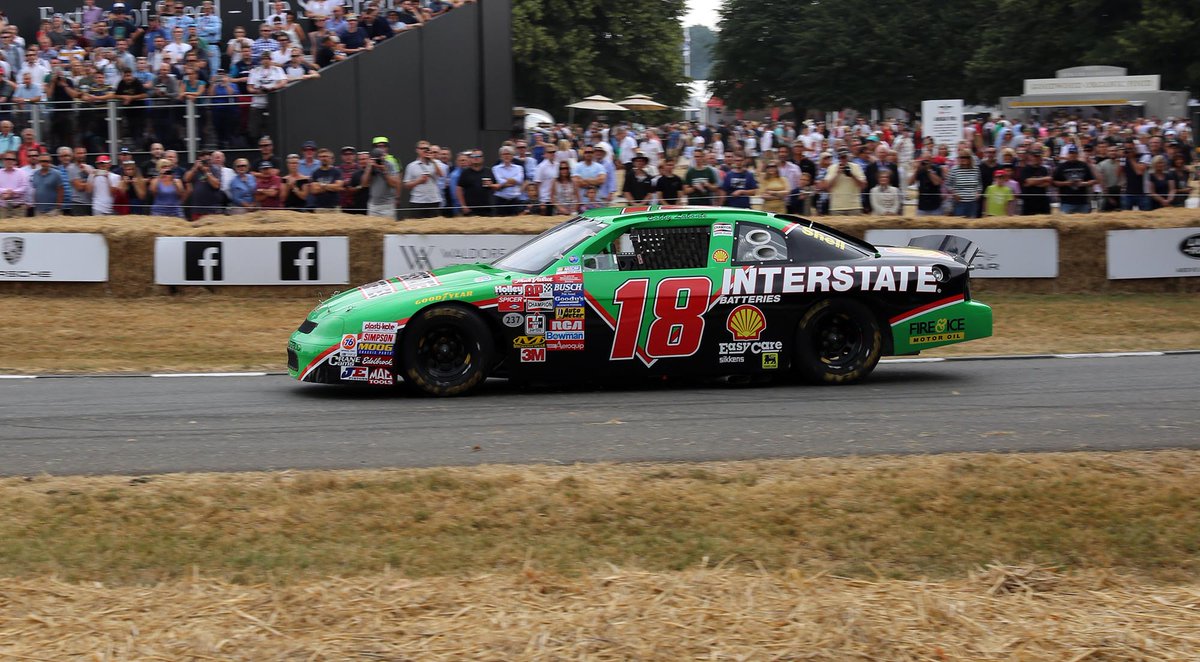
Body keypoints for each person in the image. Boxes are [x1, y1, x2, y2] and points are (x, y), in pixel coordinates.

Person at [403, 140, 444, 218]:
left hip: (433, 200)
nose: (425, 150)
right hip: (417, 201)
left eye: (427, 148)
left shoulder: (435, 163)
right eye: (422, 148)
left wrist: (433, 160)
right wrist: (418, 181)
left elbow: (441, 175)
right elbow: (406, 185)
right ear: (417, 150)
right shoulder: (411, 166)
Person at [356, 147, 399, 218]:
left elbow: (394, 184)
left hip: (387, 205)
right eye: (376, 159)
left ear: (384, 157)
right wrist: (369, 168)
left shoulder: (390, 165)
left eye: (380, 158)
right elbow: (364, 184)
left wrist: (384, 171)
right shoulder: (370, 166)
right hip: (373, 205)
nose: (378, 161)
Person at [1052, 145, 1096, 214]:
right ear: (1068, 154)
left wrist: (1084, 183)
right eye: (1071, 153)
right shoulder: (1061, 166)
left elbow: (1093, 180)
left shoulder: (1084, 165)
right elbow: (1054, 182)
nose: (1072, 155)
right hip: (1066, 202)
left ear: (1077, 154)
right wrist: (1066, 183)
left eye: (1074, 153)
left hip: (1083, 202)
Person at [824, 147, 865, 215]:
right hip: (836, 207)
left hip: (854, 206)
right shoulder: (831, 168)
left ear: (848, 156)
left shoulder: (856, 167)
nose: (843, 159)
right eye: (841, 157)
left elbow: (863, 185)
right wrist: (837, 174)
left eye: (845, 157)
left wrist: (852, 175)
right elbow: (827, 187)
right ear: (838, 158)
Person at [489, 145, 524, 216]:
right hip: (500, 199)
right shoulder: (495, 168)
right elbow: (500, 181)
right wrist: (512, 181)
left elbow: (519, 180)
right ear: (501, 156)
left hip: (514, 200)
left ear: (512, 156)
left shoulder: (519, 168)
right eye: (504, 154)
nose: (506, 156)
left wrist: (503, 183)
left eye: (508, 154)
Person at [1019, 146, 1052, 216]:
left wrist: (1033, 182)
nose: (1037, 158)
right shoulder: (1026, 169)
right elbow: (1029, 182)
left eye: (1038, 156)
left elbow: (1047, 183)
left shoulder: (1044, 169)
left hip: (1042, 202)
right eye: (1035, 156)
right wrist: (1044, 179)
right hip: (1029, 203)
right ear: (1031, 157)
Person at [947, 153, 982, 217]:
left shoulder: (976, 169)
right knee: (959, 222)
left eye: (965, 157)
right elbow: (948, 184)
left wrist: (978, 193)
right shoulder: (954, 169)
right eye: (961, 157)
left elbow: (979, 184)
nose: (963, 159)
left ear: (970, 159)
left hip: (972, 202)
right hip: (959, 202)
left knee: (972, 222)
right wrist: (954, 194)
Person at [571, 145, 606, 210]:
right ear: (583, 154)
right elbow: (576, 182)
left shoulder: (600, 166)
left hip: (597, 202)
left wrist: (584, 180)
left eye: (590, 152)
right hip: (582, 202)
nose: (588, 154)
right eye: (586, 152)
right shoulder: (577, 166)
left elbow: (601, 180)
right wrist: (594, 181)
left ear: (593, 153)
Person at [0, 151, 30, 218]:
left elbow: (24, 187)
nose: (10, 161)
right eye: (7, 159)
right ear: (3, 160)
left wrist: (12, 193)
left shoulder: (22, 172)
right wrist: (6, 191)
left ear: (15, 161)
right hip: (3, 209)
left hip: (19, 209)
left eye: (12, 159)